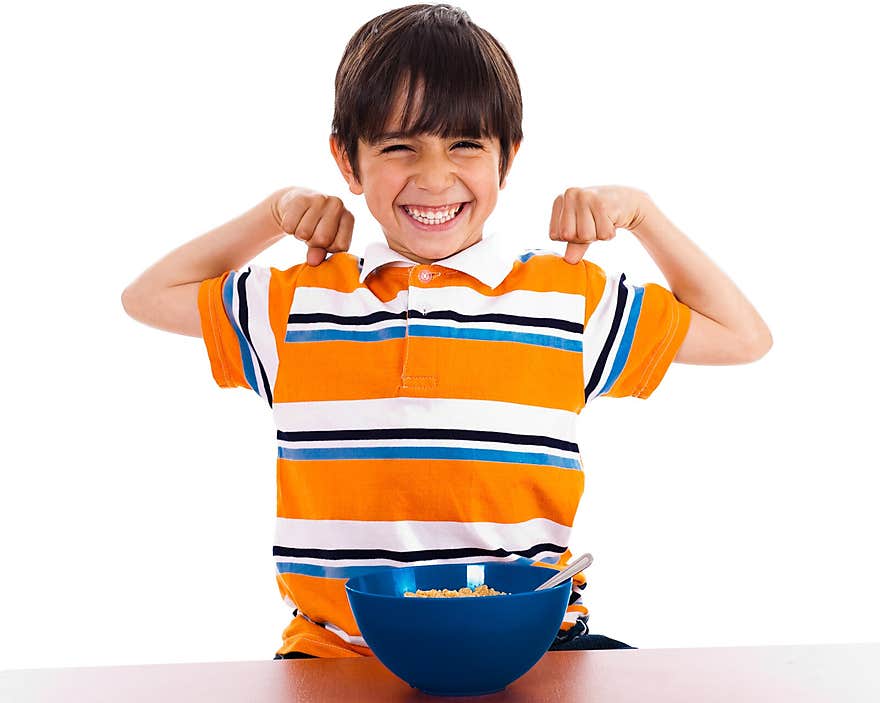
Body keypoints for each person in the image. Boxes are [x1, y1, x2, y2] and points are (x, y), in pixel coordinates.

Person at [121, 4, 772, 660]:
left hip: (534, 648)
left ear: (506, 159)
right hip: (341, 659)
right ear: (347, 162)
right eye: (398, 146)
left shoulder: (567, 298)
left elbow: (742, 336)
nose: (434, 177)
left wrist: (643, 213)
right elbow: (147, 297)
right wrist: (272, 214)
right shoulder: (297, 305)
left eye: (465, 144)